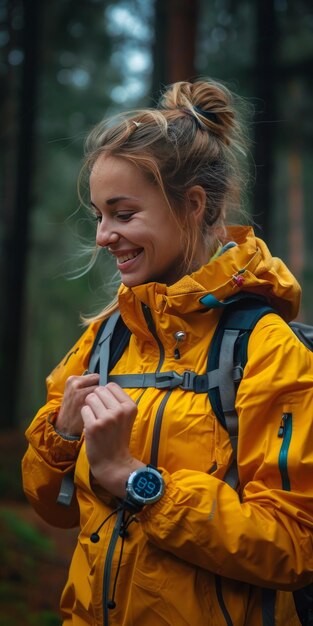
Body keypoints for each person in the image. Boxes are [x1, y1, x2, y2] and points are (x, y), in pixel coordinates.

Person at [22, 78, 313, 626]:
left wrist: (133, 478)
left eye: (123, 213)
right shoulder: (108, 337)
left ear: (193, 205)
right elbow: (53, 508)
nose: (105, 235)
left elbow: (294, 546)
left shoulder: (266, 348)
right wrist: (62, 437)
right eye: (99, 216)